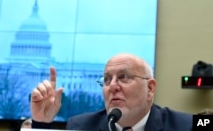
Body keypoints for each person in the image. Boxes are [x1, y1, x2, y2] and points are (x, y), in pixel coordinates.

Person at [30, 53, 193, 131]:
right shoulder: (80, 126)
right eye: (107, 79)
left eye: (124, 77)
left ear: (150, 89)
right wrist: (40, 124)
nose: (113, 86)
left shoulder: (187, 124)